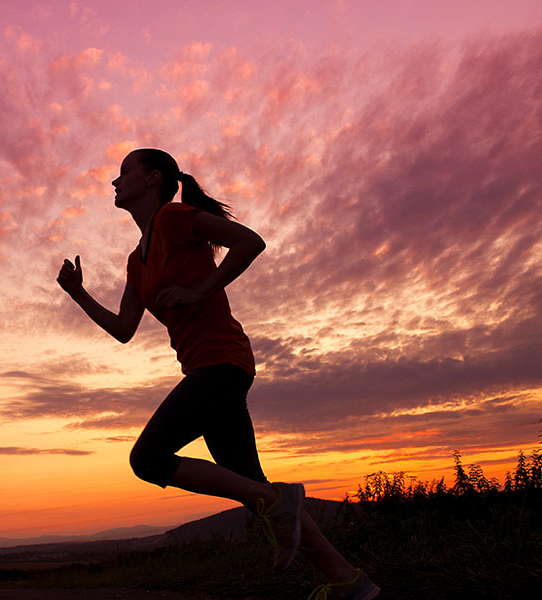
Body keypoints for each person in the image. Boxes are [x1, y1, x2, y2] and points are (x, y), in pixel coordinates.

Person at [56, 149, 379, 600]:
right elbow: (124, 330)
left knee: (147, 460)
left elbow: (250, 241)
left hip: (221, 362)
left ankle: (278, 503)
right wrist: (78, 293)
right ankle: (349, 582)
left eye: (124, 171)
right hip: (206, 367)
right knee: (253, 487)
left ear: (152, 179)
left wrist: (200, 290)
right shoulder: (137, 260)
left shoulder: (174, 218)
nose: (114, 181)